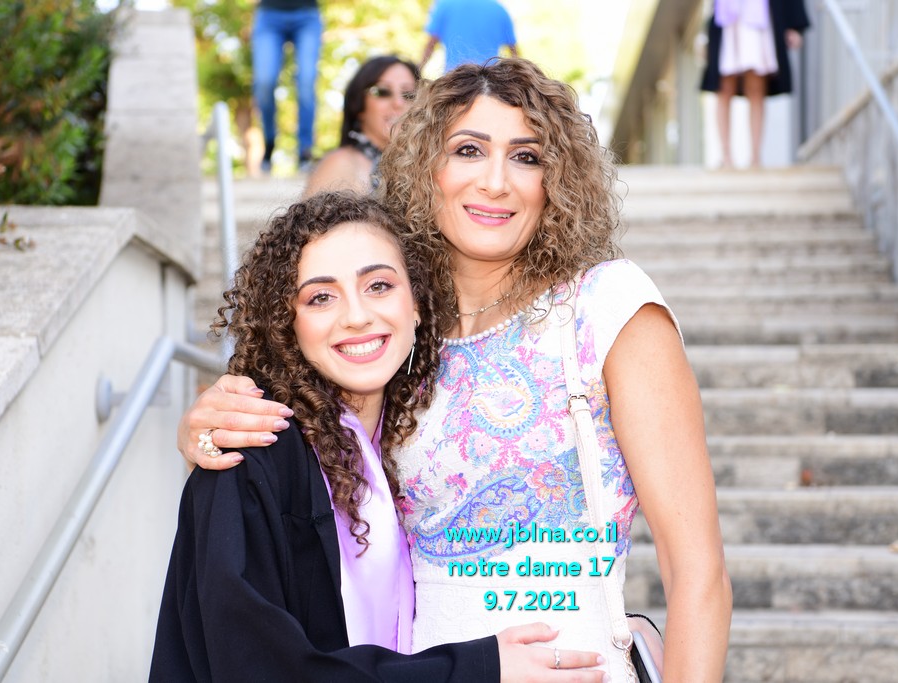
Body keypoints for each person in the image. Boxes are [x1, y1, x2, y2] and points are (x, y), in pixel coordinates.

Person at [178, 59, 733, 682]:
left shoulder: (607, 307)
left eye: (526, 156)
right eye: (469, 150)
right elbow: (298, 453)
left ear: (557, 180)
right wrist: (202, 429)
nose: (495, 182)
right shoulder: (394, 335)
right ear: (426, 169)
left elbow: (698, 572)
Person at [150, 192, 606, 682]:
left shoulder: (409, 451)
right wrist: (477, 670)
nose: (356, 316)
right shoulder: (251, 451)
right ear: (287, 323)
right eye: (321, 297)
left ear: (418, 305)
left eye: (379, 286)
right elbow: (259, 669)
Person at [700, 0, 811, 168]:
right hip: (726, 18)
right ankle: (726, 157)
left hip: (758, 16)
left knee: (756, 84)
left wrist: (794, 25)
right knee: (724, 85)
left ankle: (755, 157)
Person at [304, 56, 420, 197]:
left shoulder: (424, 168)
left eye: (409, 94)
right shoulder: (340, 164)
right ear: (358, 105)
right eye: (382, 92)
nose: (398, 103)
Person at [251, 0, 322, 173]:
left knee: (306, 82)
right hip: (269, 15)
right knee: (264, 82)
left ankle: (305, 151)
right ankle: (269, 141)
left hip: (307, 14)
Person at [419, 0, 517, 73]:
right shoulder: (499, 9)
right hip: (489, 81)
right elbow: (514, 53)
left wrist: (417, 71)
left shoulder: (444, 5)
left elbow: (430, 45)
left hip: (455, 79)